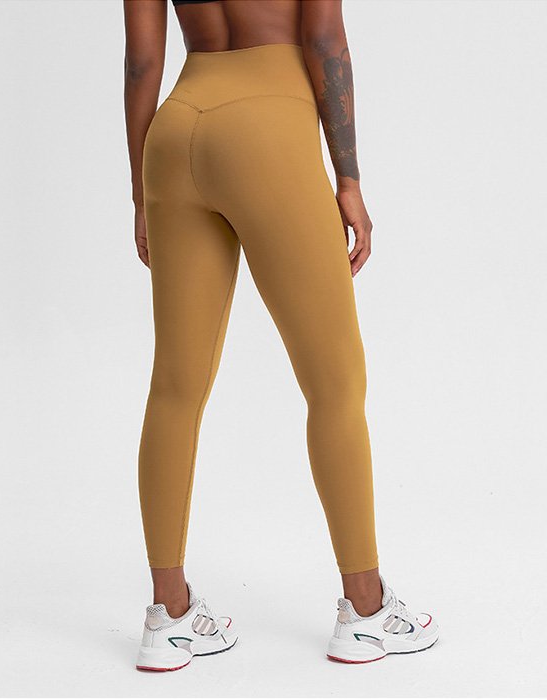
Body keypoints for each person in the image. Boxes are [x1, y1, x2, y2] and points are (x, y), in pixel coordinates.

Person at [124, 0, 438, 671]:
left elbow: (143, 62)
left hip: (175, 130)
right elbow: (325, 40)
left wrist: (140, 192)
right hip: (267, 129)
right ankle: (366, 610)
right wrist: (348, 179)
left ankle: (168, 616)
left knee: (175, 385)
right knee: (335, 382)